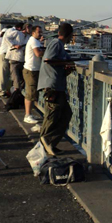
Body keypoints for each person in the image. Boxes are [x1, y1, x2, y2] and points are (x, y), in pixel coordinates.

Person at [38, 23, 75, 155]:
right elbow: (48, 60)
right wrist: (65, 63)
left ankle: (50, 143)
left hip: (58, 85)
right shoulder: (55, 43)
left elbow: (57, 67)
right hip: (51, 86)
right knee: (52, 117)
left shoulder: (60, 46)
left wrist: (68, 68)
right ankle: (45, 143)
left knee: (65, 115)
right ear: (70, 35)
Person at [22, 26, 44, 124]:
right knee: (30, 93)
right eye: (39, 32)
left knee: (32, 93)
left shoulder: (34, 40)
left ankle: (29, 114)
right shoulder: (34, 41)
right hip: (31, 70)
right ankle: (27, 115)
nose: (40, 33)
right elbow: (38, 54)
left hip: (32, 70)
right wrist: (47, 52)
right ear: (33, 32)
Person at [5, 23, 31, 93]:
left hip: (22, 60)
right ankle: (15, 95)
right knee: (16, 79)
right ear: (26, 28)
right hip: (14, 58)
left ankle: (20, 94)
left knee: (22, 80)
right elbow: (6, 38)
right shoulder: (17, 33)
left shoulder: (29, 37)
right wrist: (14, 45)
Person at [0, 24, 20, 97]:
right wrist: (13, 45)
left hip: (7, 54)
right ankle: (1, 91)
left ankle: (5, 90)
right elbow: (5, 37)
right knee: (3, 73)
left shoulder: (10, 31)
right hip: (4, 53)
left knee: (6, 74)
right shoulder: (10, 31)